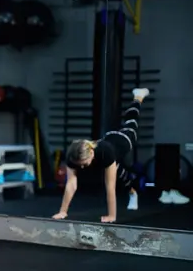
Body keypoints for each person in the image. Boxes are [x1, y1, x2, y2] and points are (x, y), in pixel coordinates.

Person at [52, 88, 149, 223]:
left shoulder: (105, 153)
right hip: (107, 146)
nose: (83, 168)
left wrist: (112, 216)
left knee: (131, 121)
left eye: (84, 164)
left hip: (122, 141)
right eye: (80, 165)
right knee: (121, 173)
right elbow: (71, 184)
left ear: (91, 153)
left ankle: (138, 97)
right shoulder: (72, 156)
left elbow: (110, 188)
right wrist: (63, 212)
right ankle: (133, 192)